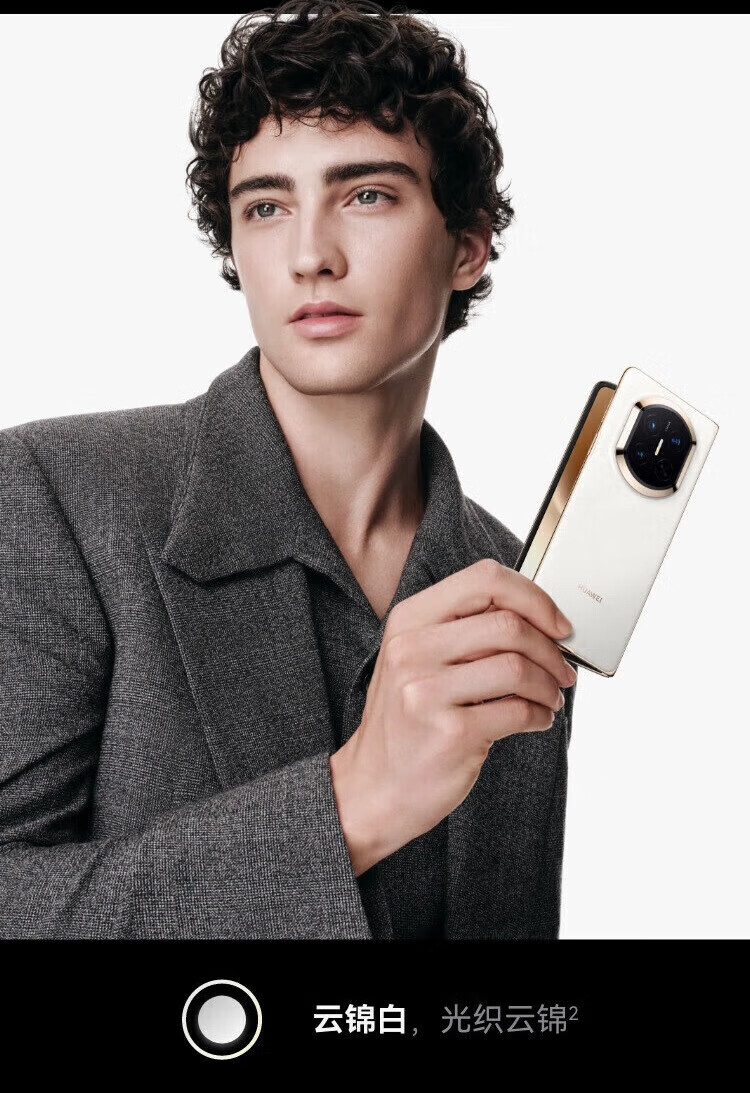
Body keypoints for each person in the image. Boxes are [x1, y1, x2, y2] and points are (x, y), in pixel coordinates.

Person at [0, 2, 577, 940]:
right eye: (266, 207)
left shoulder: (511, 587)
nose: (311, 256)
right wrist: (351, 805)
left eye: (367, 195)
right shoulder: (57, 493)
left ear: (466, 246)